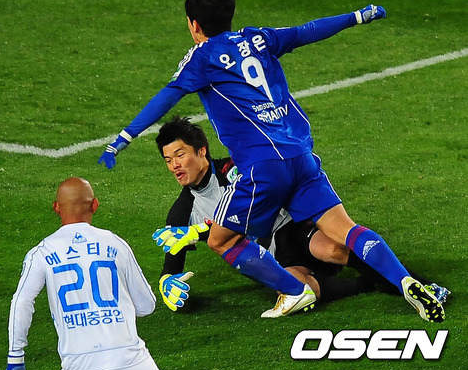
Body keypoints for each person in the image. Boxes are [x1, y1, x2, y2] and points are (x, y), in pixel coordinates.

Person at [98, 0, 445, 322]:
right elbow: (308, 31)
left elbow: (167, 96)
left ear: (194, 24)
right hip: (301, 155)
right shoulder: (258, 38)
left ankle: (293, 291)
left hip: (263, 165)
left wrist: (123, 138)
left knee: (221, 240)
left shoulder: (200, 58)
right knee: (347, 230)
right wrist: (356, 16)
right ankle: (405, 281)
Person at [151, 117, 450, 312]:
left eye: (180, 155)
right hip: (272, 259)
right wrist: (167, 284)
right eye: (168, 160)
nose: (175, 166)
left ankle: (420, 286)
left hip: (289, 230)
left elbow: (254, 217)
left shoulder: (236, 170)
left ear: (202, 151)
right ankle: (364, 284)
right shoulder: (181, 212)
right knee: (302, 291)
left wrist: (199, 232)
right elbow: (171, 264)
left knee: (333, 249)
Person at [4, 177, 162, 370]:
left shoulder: (42, 252)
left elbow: (22, 301)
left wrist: (16, 357)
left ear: (56, 208)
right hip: (130, 362)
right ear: (95, 205)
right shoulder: (116, 244)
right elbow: (146, 306)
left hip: (79, 367)